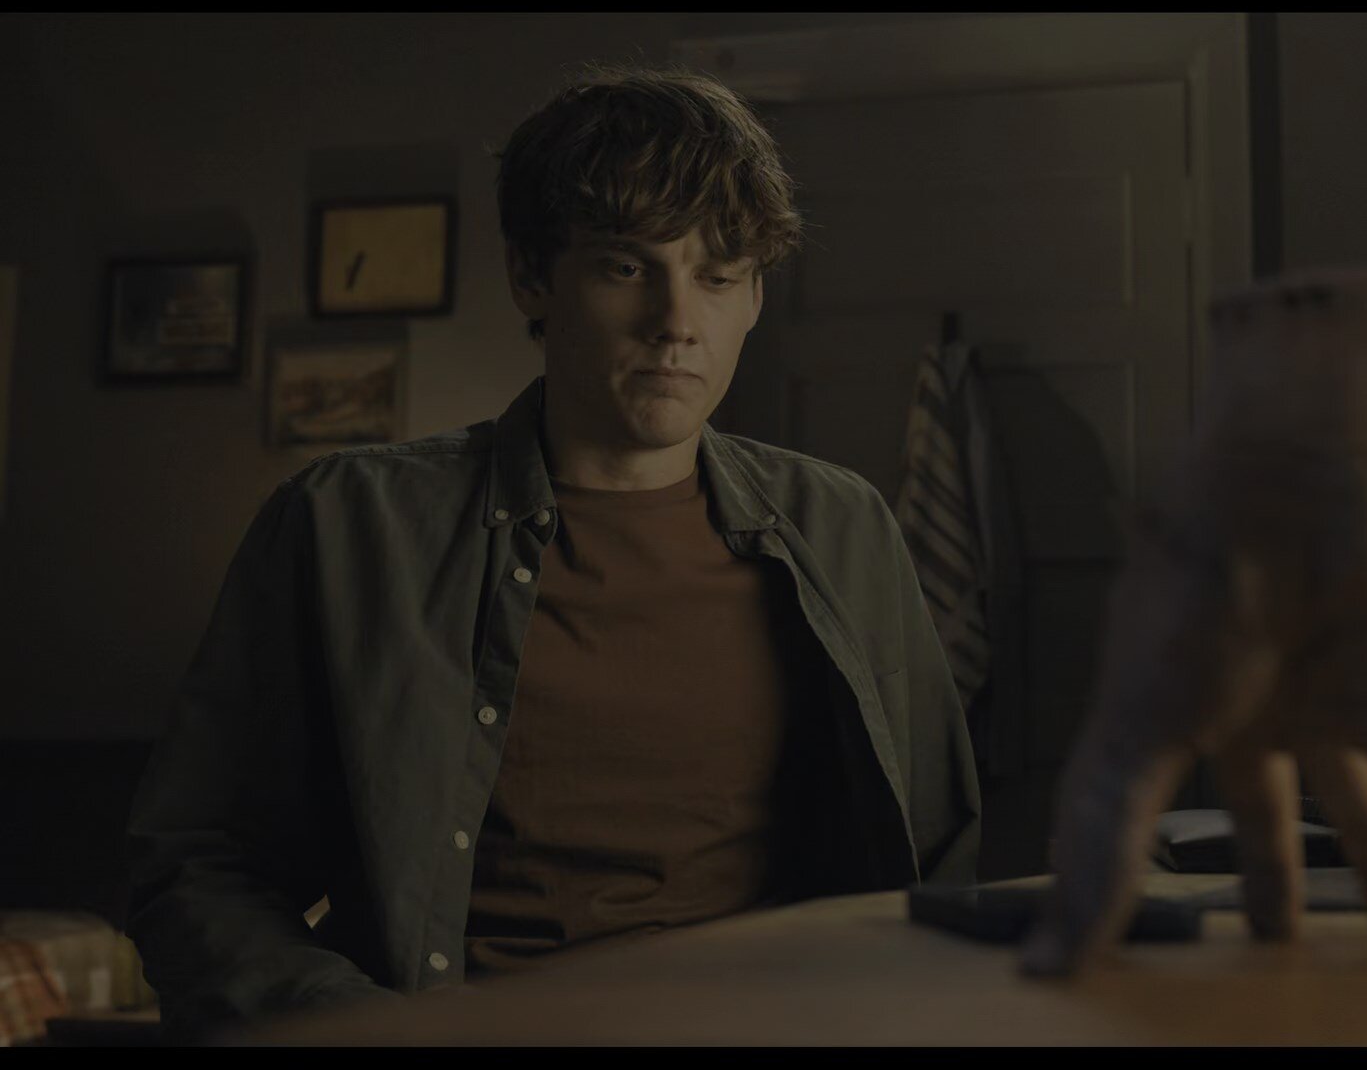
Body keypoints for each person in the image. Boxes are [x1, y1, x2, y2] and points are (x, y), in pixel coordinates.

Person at [125, 64, 981, 1042]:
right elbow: (199, 864)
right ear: (533, 276)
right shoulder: (349, 526)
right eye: (626, 267)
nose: (677, 322)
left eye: (717, 275)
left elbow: (934, 864)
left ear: (753, 296)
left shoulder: (843, 527)